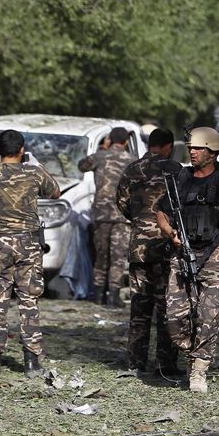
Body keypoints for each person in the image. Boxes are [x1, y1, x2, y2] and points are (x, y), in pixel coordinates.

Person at [156, 127, 219, 393]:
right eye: (191, 148)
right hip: (184, 254)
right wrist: (171, 234)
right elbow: (161, 212)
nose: (192, 152)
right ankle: (192, 352)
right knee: (175, 319)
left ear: (212, 152)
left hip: (218, 255)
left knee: (208, 315)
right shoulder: (181, 178)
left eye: (199, 148)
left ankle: (199, 369)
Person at [0, 129, 60, 377]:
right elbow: (55, 191)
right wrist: (36, 164)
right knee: (29, 300)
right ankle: (32, 360)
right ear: (22, 150)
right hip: (28, 244)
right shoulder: (33, 173)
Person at [116, 128, 184, 377]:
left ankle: (136, 363)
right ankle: (165, 365)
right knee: (168, 306)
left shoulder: (133, 169)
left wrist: (139, 222)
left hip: (140, 248)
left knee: (140, 308)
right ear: (168, 146)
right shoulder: (176, 170)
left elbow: (121, 203)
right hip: (168, 245)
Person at [78, 127, 135, 308]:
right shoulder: (133, 161)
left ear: (109, 140)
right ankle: (114, 297)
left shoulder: (99, 157)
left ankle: (98, 295)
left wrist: (103, 149)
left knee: (101, 257)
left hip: (101, 215)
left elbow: (81, 165)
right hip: (122, 216)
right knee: (118, 258)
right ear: (126, 142)